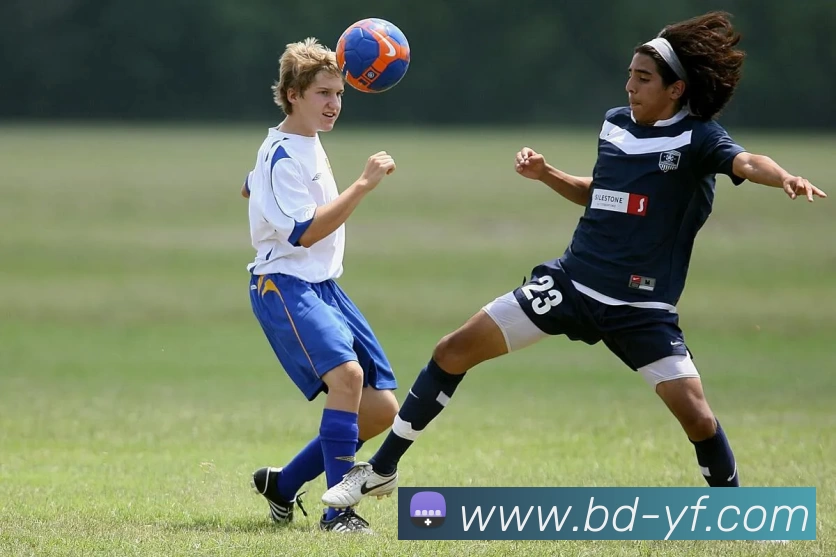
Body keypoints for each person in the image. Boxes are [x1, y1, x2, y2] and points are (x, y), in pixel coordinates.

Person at [320, 11, 827, 509]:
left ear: (676, 89)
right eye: (630, 74)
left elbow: (747, 161)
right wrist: (547, 174)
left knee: (696, 416)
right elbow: (602, 194)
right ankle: (382, 470)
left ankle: (735, 514)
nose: (630, 86)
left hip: (640, 309)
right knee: (452, 350)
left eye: (644, 78)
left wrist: (782, 176)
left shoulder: (699, 139)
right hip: (571, 284)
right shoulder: (616, 125)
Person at [242, 37, 399, 532]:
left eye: (339, 94)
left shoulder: (303, 142)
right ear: (293, 95)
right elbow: (304, 231)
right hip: (284, 285)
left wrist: (254, 184)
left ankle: (284, 484)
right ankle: (338, 513)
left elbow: (253, 183)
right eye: (323, 94)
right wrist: (363, 184)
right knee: (347, 378)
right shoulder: (282, 154)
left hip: (324, 286)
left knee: (380, 409)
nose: (334, 104)